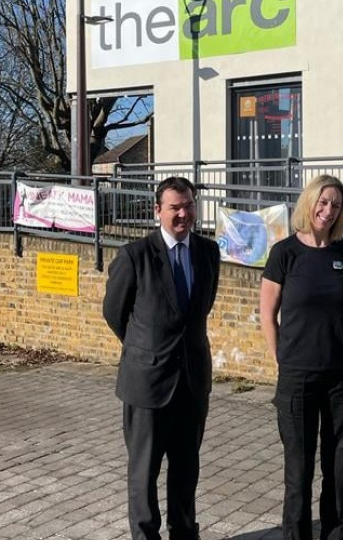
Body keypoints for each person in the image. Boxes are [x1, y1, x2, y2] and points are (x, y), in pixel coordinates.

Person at [103, 176, 221, 540]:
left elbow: (200, 310)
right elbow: (114, 313)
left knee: (187, 468)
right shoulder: (135, 256)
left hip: (191, 381)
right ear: (158, 211)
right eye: (174, 207)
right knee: (144, 472)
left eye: (188, 205)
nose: (183, 213)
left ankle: (185, 532)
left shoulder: (208, 252)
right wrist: (145, 349)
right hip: (147, 383)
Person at [259, 174, 343, 540]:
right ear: (309, 203)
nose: (328, 210)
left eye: (336, 204)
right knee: (299, 471)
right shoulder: (285, 253)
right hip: (298, 378)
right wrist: (283, 359)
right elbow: (267, 315)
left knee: (339, 467)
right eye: (323, 202)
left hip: (341, 376)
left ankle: (336, 533)